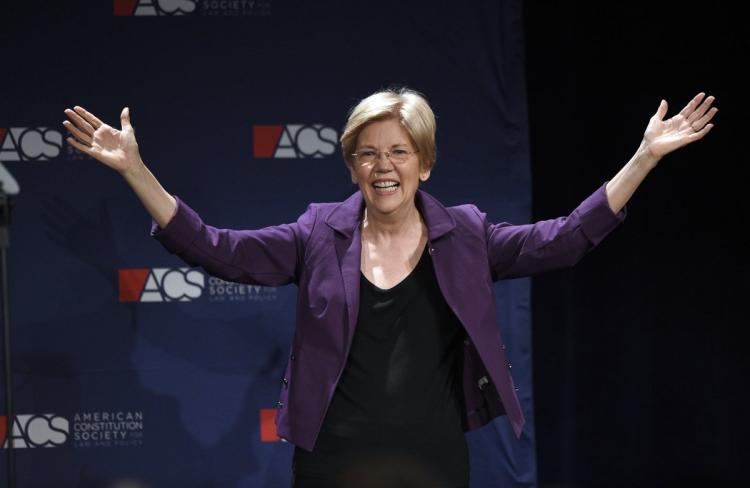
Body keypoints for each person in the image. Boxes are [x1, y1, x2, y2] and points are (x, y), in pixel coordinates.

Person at [62, 88, 716, 487]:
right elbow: (215, 249)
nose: (384, 166)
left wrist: (645, 157)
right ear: (351, 164)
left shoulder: (467, 235)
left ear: (425, 163)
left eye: (400, 151)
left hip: (431, 462)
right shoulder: (315, 233)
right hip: (332, 465)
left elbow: (566, 238)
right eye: (369, 153)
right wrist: (136, 170)